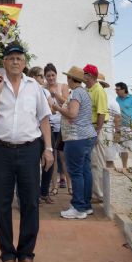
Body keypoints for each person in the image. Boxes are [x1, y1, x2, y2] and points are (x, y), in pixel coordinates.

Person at [0, 43, 53, 262]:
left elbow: (43, 119)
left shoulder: (35, 87)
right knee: (2, 204)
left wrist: (49, 149)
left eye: (18, 58)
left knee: (30, 202)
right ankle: (8, 256)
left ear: (24, 62)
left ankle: (26, 255)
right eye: (10, 58)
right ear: (4, 62)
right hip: (0, 150)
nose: (14, 61)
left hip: (29, 150)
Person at [51, 67, 97, 219]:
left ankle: (78, 207)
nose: (67, 81)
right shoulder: (84, 92)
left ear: (71, 79)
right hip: (87, 136)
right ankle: (86, 205)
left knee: (76, 172)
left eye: (68, 78)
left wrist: (57, 108)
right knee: (85, 170)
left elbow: (72, 114)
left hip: (77, 137)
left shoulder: (76, 93)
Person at [43, 63, 71, 197]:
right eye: (48, 75)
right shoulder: (43, 89)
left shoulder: (63, 86)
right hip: (49, 125)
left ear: (56, 75)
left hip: (63, 125)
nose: (51, 78)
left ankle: (69, 186)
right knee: (52, 157)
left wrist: (56, 95)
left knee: (64, 157)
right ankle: (54, 187)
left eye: (53, 75)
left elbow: (67, 102)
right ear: (45, 77)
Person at [82, 64, 109, 203]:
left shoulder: (98, 90)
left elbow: (101, 113)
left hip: (96, 129)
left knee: (97, 162)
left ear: (91, 75)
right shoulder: (89, 89)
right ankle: (94, 192)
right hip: (89, 129)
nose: (83, 76)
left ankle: (99, 195)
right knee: (91, 162)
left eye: (85, 73)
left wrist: (97, 132)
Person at [115, 81, 132, 173]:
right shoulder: (117, 99)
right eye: (116, 89)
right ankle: (124, 167)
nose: (116, 91)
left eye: (118, 89)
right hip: (122, 127)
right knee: (123, 148)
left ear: (124, 89)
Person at [98, 74, 121, 169]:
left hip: (107, 131)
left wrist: (118, 132)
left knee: (109, 159)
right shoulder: (90, 95)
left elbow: (117, 117)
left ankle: (109, 181)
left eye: (99, 84)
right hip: (93, 130)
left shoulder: (111, 99)